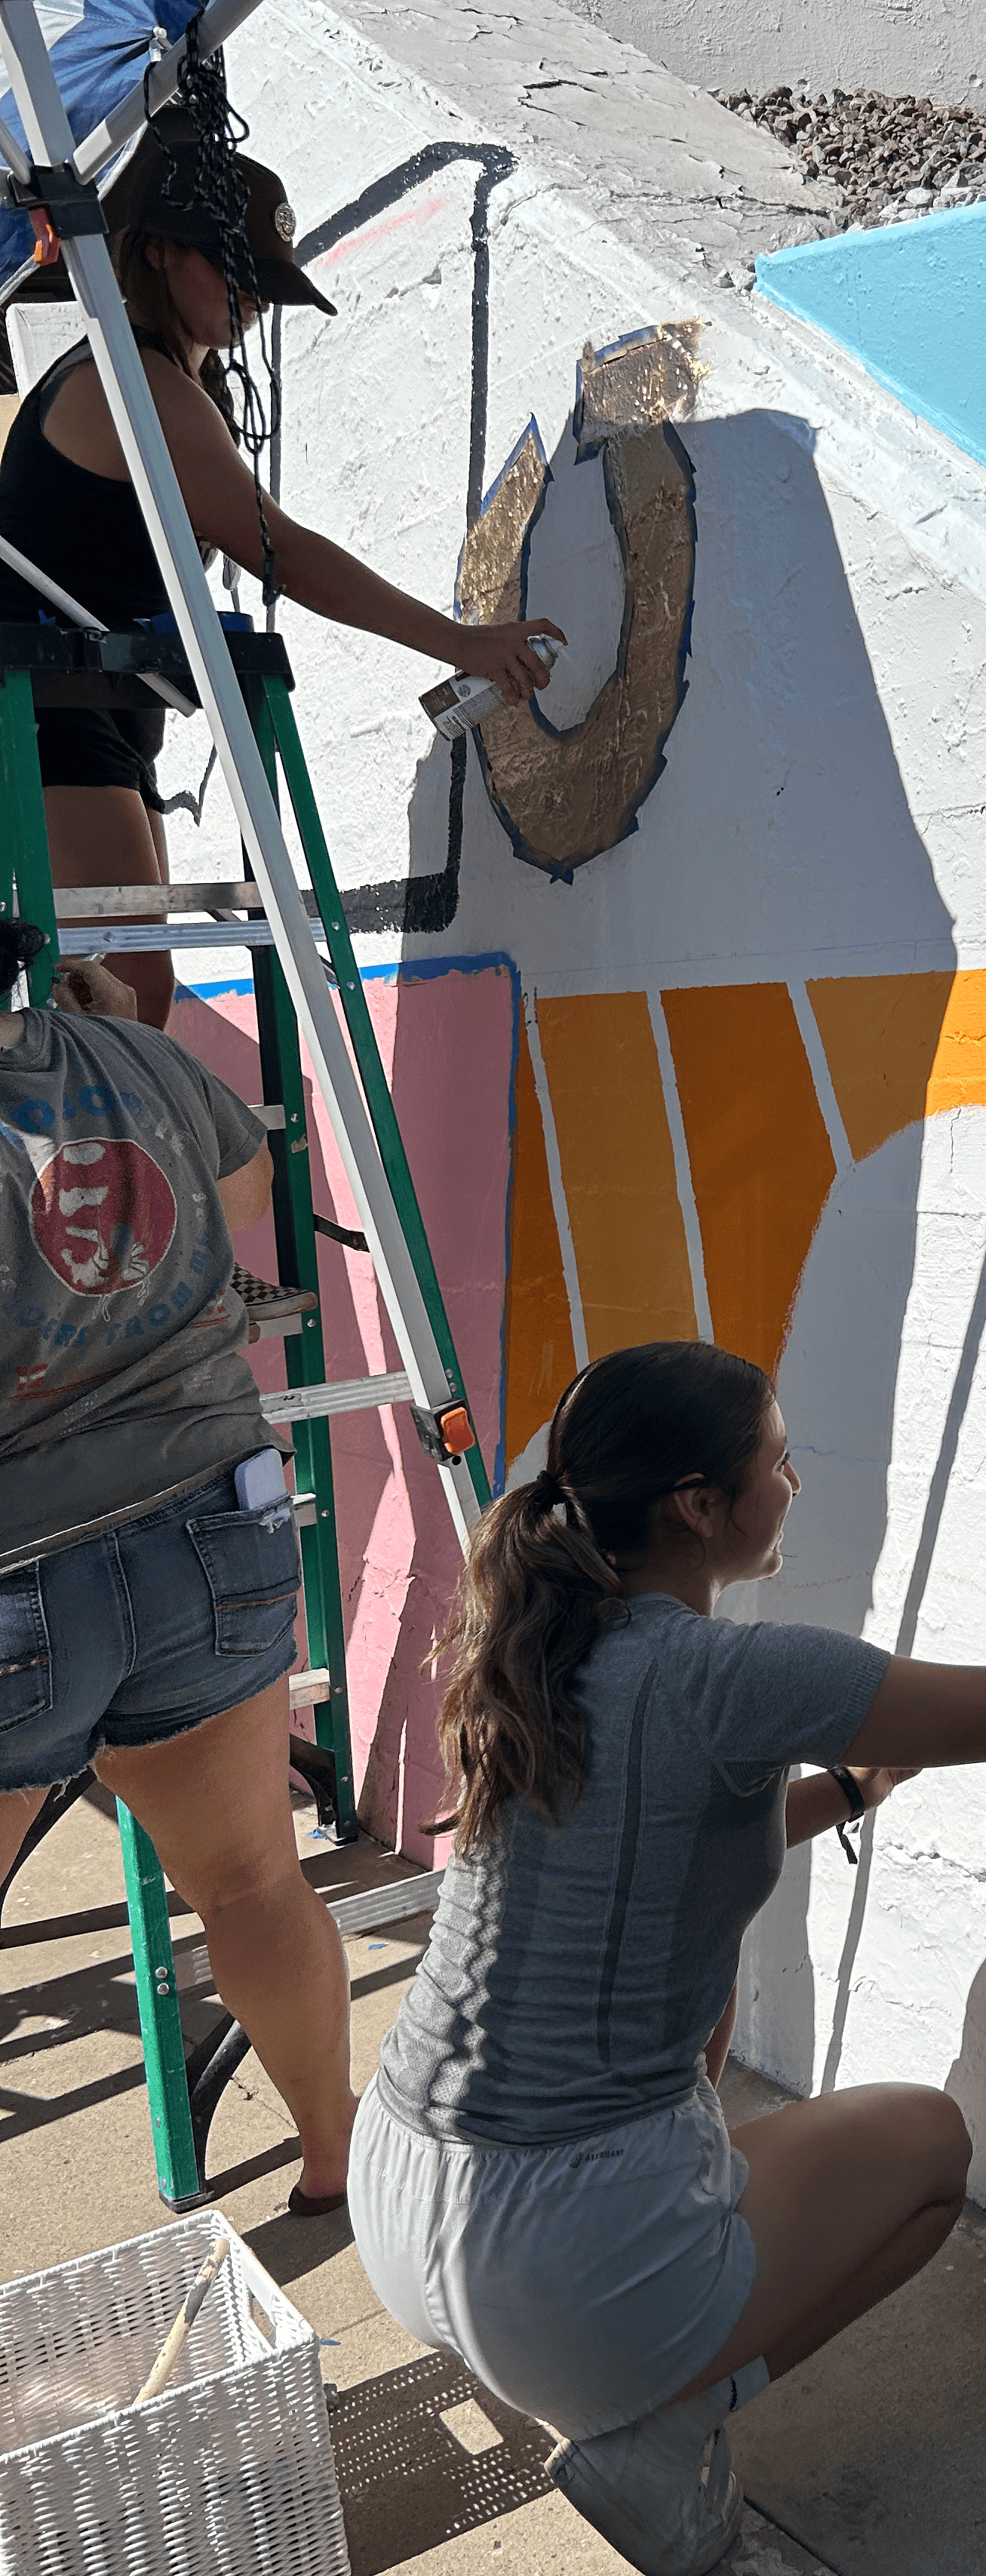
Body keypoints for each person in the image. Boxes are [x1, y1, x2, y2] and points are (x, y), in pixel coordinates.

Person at [349, 1341, 986, 2576]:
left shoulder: (534, 1639)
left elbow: (638, 1847)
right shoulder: (729, 1670)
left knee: (711, 2069)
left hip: (408, 2198)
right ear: (701, 1506)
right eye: (779, 1461)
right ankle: (658, 2432)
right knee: (929, 2155)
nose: (796, 1482)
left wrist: (838, 1791)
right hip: (556, 2260)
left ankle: (629, 2366)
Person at [0, 106, 560, 1027]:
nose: (255, 302)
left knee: (122, 997)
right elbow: (285, 555)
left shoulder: (166, 381)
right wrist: (461, 641)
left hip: (94, 710)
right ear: (154, 254)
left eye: (268, 287)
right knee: (118, 1001)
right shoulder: (133, 382)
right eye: (238, 273)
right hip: (48, 711)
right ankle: (89, 1176)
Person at [0, 933, 355, 2208]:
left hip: (14, 1571)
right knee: (256, 1880)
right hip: (216, 1524)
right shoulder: (128, 1051)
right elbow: (248, 1194)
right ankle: (332, 2154)